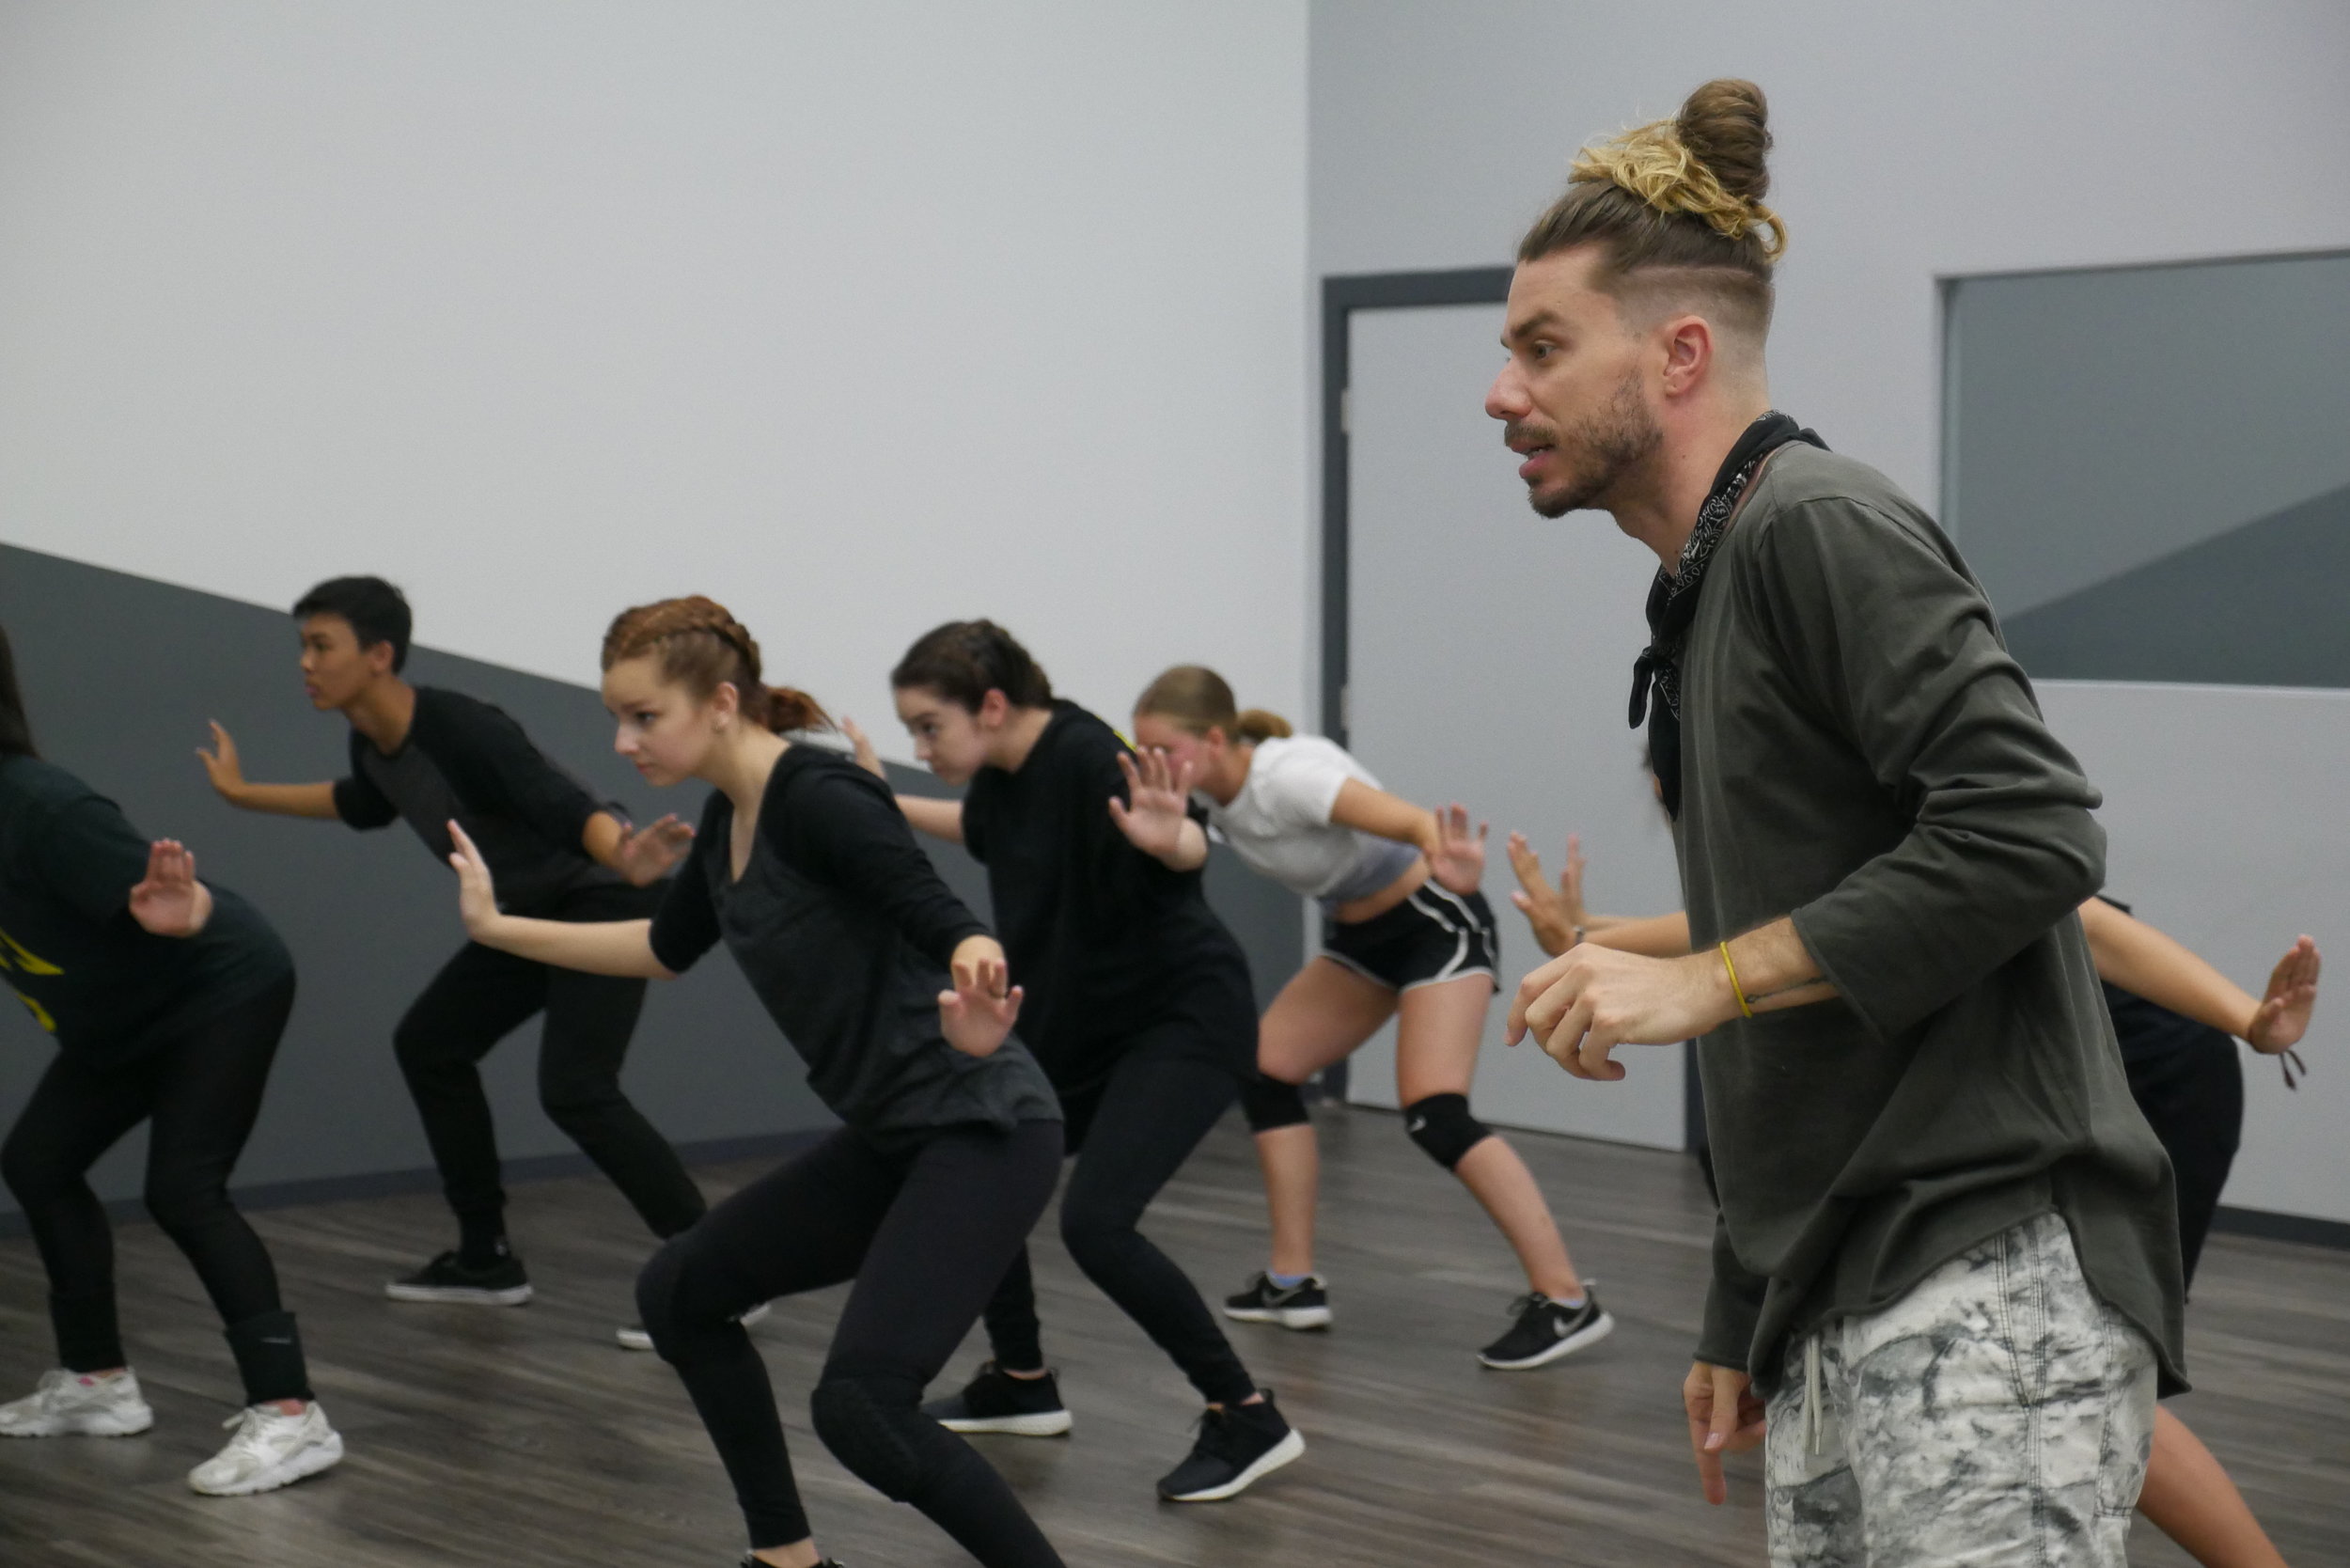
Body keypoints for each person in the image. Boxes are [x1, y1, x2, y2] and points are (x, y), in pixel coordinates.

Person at [1489, 79, 2183, 1565]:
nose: (1502, 392)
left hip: (1985, 1272)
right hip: (1832, 1282)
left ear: (1678, 354)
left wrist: (1697, 976)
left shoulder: (1816, 523)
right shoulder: (1701, 592)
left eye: (1542, 348)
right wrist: (1744, 1303)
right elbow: (1801, 974)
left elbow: (2035, 835)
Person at [446, 595, 1067, 1568]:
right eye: (620, 716)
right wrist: (496, 929)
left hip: (980, 1126)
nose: (621, 740)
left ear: (722, 701)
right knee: (681, 1295)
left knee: (861, 1407)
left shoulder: (817, 796)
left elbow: (938, 910)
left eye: (644, 716)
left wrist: (978, 975)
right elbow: (661, 946)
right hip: (896, 1133)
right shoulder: (729, 813)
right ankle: (789, 1561)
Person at [1512, 832, 2317, 1568]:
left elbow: (2089, 925)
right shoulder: (1778, 849)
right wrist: (1590, 939)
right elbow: (1724, 932)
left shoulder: (1892, 825)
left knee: (2086, 1360)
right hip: (2027, 1087)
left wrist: (2251, 1018)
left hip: (2148, 1073)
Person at [845, 620, 1304, 1503]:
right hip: (1081, 1027)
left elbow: (1180, 839)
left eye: (928, 727)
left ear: (990, 704)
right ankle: (1020, 1381)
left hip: (1181, 1021)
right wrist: (879, 799)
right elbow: (972, 827)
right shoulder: (1004, 778)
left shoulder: (1092, 753)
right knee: (975, 1153)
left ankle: (1247, 1414)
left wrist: (1172, 840)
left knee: (1097, 1224)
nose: (918, 747)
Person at [199, 576, 708, 1340]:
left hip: (601, 901)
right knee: (431, 1044)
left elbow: (565, 806)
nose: (305, 662)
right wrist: (243, 795)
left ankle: (715, 1271)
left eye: (321, 646)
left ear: (378, 655)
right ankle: (485, 1258)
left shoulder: (461, 727)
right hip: (524, 916)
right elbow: (359, 803)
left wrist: (629, 856)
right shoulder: (372, 744)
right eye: (302, 646)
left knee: (577, 1089)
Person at [1126, 665, 1608, 1368]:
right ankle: (1292, 1283)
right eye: (1145, 752)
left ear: (1217, 738)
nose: (1155, 766)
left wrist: (1449, 857)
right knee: (1264, 1071)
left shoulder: (1286, 776)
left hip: (1434, 921)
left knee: (1434, 1112)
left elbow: (1410, 820)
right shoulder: (1209, 802)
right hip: (1362, 940)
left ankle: (1567, 1301)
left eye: (1165, 750)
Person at [0, 622, 343, 1496]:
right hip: (120, 1018)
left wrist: (176, 909)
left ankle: (293, 1416)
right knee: (39, 1162)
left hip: (215, 985)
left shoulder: (41, 805)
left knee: (183, 1190)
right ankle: (97, 1384)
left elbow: (165, 904)